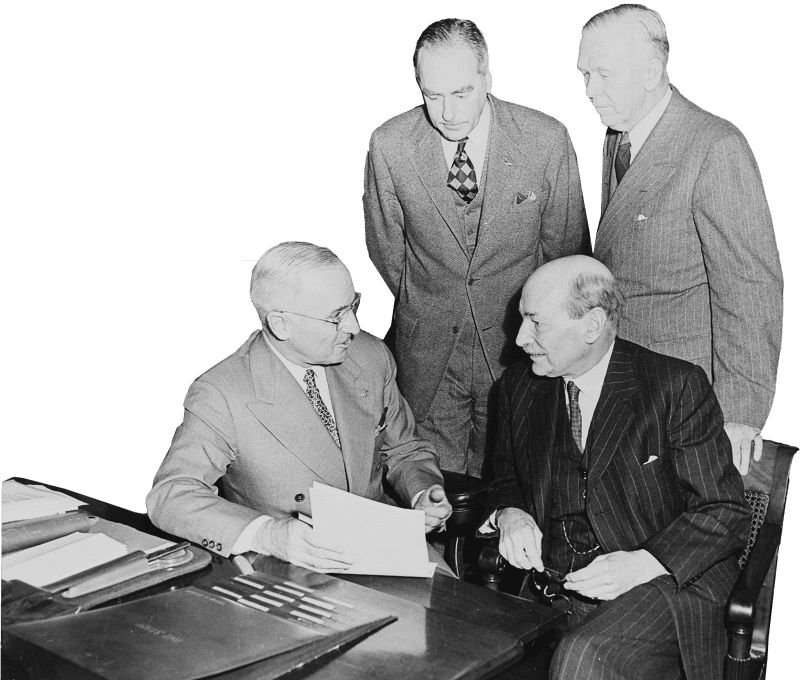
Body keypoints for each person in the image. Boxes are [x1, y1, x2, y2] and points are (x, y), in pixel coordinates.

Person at [484, 256, 750, 680]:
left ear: (591, 325)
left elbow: (725, 509)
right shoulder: (519, 387)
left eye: (535, 323)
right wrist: (510, 514)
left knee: (582, 657)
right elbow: (504, 478)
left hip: (662, 585)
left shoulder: (674, 387)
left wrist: (644, 562)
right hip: (550, 587)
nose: (519, 339)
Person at [364, 18, 590, 478]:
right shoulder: (388, 146)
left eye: (462, 92)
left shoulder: (546, 140)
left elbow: (566, 254)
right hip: (428, 360)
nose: (447, 112)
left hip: (519, 353)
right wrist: (429, 301)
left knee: (515, 491)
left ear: (488, 78)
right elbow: (386, 250)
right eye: (433, 95)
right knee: (431, 493)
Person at [146, 241, 452, 572]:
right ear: (281, 324)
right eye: (336, 316)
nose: (352, 326)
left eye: (354, 307)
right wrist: (268, 535)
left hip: (385, 548)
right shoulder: (221, 393)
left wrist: (422, 491)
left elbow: (405, 450)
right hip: (291, 563)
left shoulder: (370, 356)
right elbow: (172, 496)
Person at [577, 4, 783, 475]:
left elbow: (751, 290)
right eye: (585, 74)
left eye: (604, 74)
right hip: (624, 389)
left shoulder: (715, 146)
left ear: (651, 72)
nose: (590, 90)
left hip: (683, 406)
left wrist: (739, 415)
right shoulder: (616, 138)